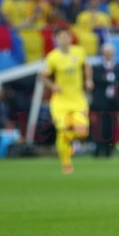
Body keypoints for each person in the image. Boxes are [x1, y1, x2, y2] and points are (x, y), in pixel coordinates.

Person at [41, 27, 94, 173]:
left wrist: (88, 80)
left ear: (70, 38)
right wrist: (53, 86)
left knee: (82, 131)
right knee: (62, 129)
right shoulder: (52, 57)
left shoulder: (79, 52)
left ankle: (69, 142)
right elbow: (43, 76)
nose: (65, 39)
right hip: (60, 101)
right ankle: (66, 163)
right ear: (56, 39)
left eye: (67, 36)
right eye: (61, 37)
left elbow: (87, 66)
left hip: (77, 99)